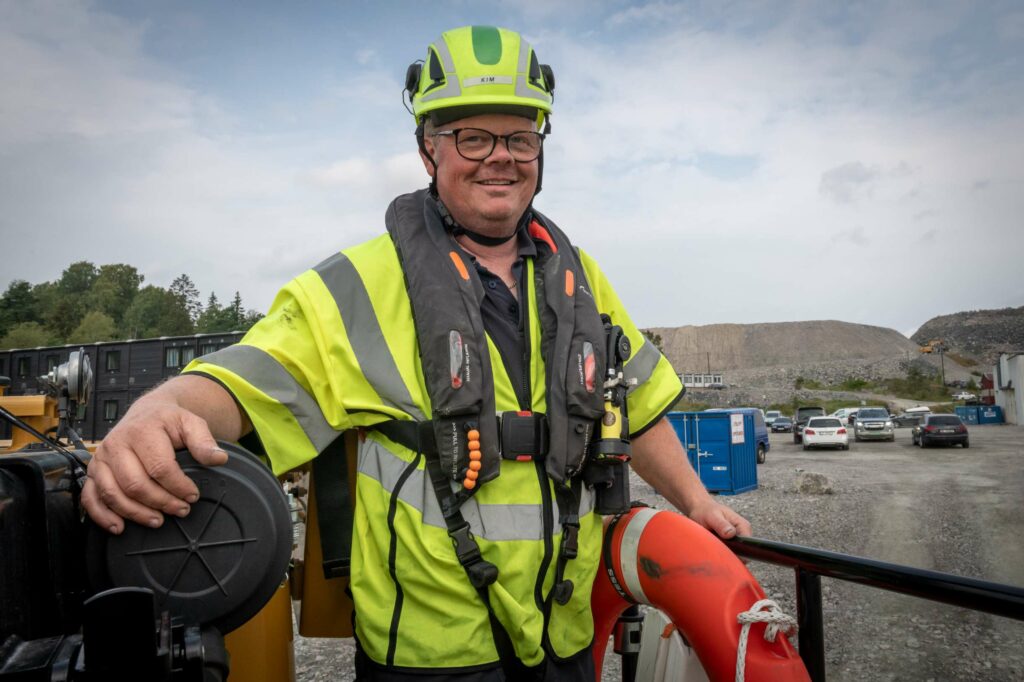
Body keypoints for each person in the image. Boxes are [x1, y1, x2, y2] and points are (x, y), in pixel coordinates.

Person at [82, 25, 750, 681]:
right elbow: (245, 381)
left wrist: (696, 502)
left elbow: (636, 406)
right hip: (430, 656)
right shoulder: (361, 285)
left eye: (521, 137)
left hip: (563, 638)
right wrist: (160, 409)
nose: (501, 157)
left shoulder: (580, 280)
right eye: (473, 137)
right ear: (429, 149)